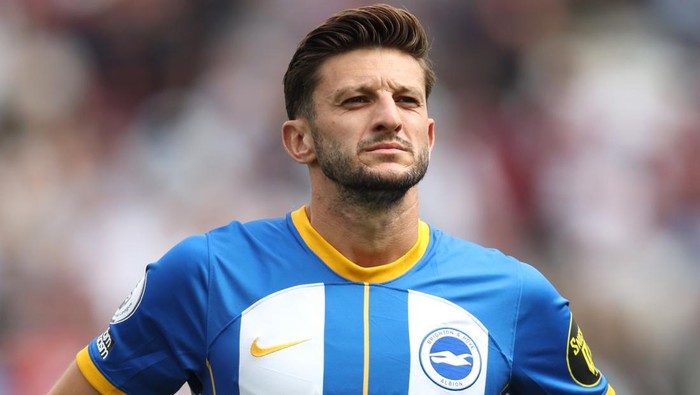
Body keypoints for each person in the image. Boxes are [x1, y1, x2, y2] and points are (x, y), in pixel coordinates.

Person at [49, 4, 615, 394]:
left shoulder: (516, 300)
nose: (389, 116)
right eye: (356, 100)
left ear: (430, 135)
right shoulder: (206, 276)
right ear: (300, 141)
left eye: (407, 100)